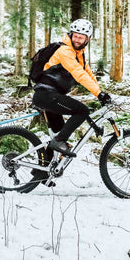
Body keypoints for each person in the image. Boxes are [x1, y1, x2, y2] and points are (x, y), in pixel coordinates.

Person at [32, 19, 112, 160]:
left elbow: (88, 74)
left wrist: (101, 93)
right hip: (46, 95)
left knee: (58, 135)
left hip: (52, 96)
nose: (77, 39)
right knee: (82, 111)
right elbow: (78, 74)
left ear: (88, 39)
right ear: (71, 34)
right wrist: (98, 94)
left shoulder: (79, 54)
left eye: (81, 37)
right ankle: (58, 143)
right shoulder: (65, 51)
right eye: (75, 35)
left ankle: (41, 172)